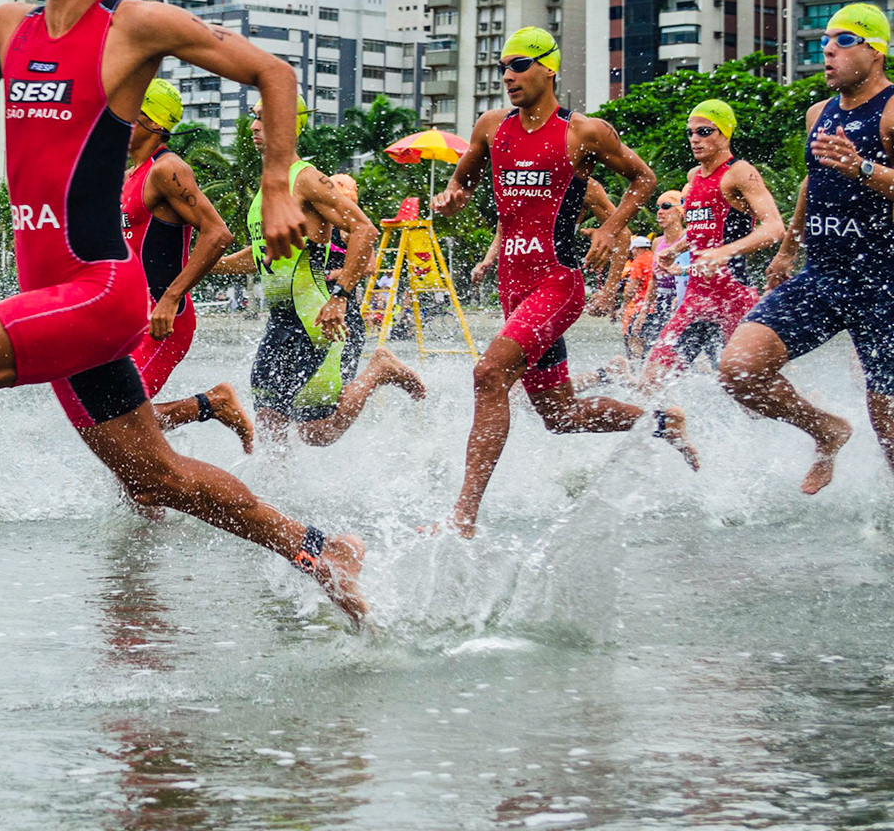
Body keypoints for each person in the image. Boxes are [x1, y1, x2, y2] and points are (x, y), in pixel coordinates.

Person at [0, 0, 363, 653]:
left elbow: (272, 74)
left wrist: (278, 185)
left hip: (101, 286)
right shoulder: (8, 26)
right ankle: (319, 549)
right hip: (52, 295)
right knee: (155, 477)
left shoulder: (133, 26)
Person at [431, 26, 697, 537]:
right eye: (503, 67)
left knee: (488, 374)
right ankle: (662, 420)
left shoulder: (583, 132)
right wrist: (452, 194)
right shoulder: (491, 127)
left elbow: (643, 179)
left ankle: (462, 517)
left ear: (548, 68)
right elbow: (460, 178)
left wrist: (613, 228)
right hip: (513, 285)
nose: (508, 75)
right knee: (561, 415)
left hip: (558, 282)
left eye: (520, 65)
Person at [721, 3, 894, 493]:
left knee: (891, 433)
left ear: (874, 50)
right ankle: (827, 431)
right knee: (740, 370)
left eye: (841, 40)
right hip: (822, 274)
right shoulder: (819, 113)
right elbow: (811, 183)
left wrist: (865, 169)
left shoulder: (891, 111)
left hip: (883, 282)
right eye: (822, 41)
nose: (827, 51)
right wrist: (789, 250)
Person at [214, 95, 425, 447]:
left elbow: (364, 230)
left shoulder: (307, 179)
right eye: (254, 118)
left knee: (316, 433)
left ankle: (379, 369)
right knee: (269, 416)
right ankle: (276, 498)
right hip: (281, 322)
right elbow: (261, 255)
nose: (253, 127)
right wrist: (205, 266)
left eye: (263, 119)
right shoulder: (269, 186)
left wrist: (341, 295)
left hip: (322, 320)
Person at [121, 78, 256, 450]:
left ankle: (215, 403)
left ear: (152, 122)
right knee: (114, 421)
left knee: (123, 419)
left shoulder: (167, 170)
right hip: (130, 317)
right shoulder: (130, 175)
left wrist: (171, 298)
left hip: (164, 318)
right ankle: (145, 504)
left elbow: (217, 234)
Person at [637, 99, 784, 385]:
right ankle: (668, 428)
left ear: (725, 133)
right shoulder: (693, 177)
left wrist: (725, 252)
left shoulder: (739, 173)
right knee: (652, 380)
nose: (695, 139)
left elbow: (775, 227)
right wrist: (674, 251)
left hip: (734, 297)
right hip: (696, 297)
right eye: (691, 132)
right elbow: (702, 229)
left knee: (747, 391)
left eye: (705, 131)